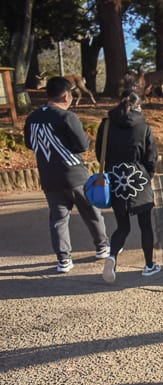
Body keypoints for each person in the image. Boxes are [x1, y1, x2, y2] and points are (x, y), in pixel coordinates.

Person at [23, 76, 110, 273]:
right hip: (74, 174)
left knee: (58, 219)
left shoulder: (32, 117)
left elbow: (29, 144)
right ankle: (102, 246)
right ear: (66, 97)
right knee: (90, 211)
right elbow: (82, 145)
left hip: (48, 175)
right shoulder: (67, 117)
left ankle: (63, 259)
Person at [96, 91, 160, 283]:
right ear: (138, 106)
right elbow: (151, 158)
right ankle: (149, 266)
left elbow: (100, 154)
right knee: (145, 226)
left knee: (122, 227)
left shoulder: (106, 124)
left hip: (116, 180)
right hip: (138, 180)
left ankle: (112, 257)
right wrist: (147, 176)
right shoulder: (144, 127)